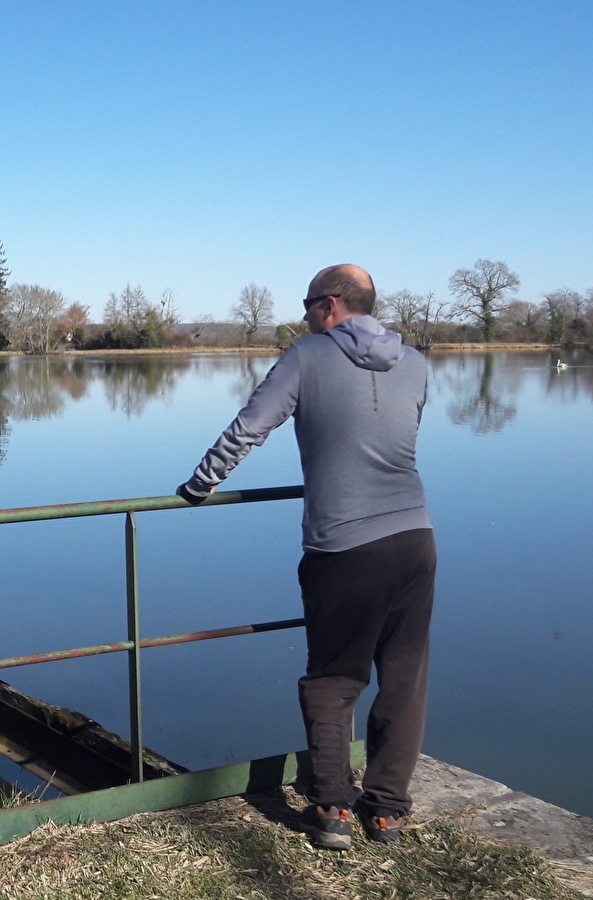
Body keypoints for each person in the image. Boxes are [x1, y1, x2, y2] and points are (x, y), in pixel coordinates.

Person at [176, 264, 436, 850]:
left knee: (334, 680)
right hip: (416, 538)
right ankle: (388, 811)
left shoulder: (308, 355)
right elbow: (402, 434)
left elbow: (250, 426)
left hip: (345, 545)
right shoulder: (416, 363)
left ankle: (334, 809)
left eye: (307, 303)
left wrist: (201, 482)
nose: (303, 315)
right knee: (403, 676)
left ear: (333, 304)